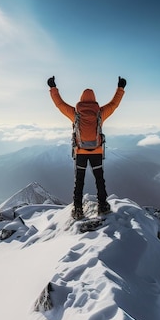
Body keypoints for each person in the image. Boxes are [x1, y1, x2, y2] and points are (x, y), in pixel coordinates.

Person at [47, 75, 126, 219]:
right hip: (96, 151)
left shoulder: (75, 114)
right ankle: (102, 206)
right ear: (94, 99)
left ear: (81, 99)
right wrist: (120, 88)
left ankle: (77, 209)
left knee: (79, 181)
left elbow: (60, 104)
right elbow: (114, 104)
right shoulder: (100, 114)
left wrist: (53, 88)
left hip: (80, 152)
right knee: (99, 179)